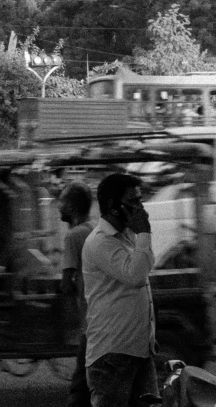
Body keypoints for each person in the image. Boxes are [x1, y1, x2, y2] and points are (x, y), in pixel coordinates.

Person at [81, 173, 157, 407]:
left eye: (140, 200)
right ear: (114, 206)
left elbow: (143, 269)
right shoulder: (100, 241)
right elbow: (135, 276)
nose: (141, 209)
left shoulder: (126, 237)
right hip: (113, 355)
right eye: (133, 202)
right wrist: (144, 233)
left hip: (137, 352)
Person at [59, 183, 95, 407]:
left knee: (80, 387)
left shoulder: (73, 236)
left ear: (72, 206)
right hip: (106, 317)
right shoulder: (94, 228)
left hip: (92, 322)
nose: (58, 207)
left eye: (62, 201)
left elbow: (65, 284)